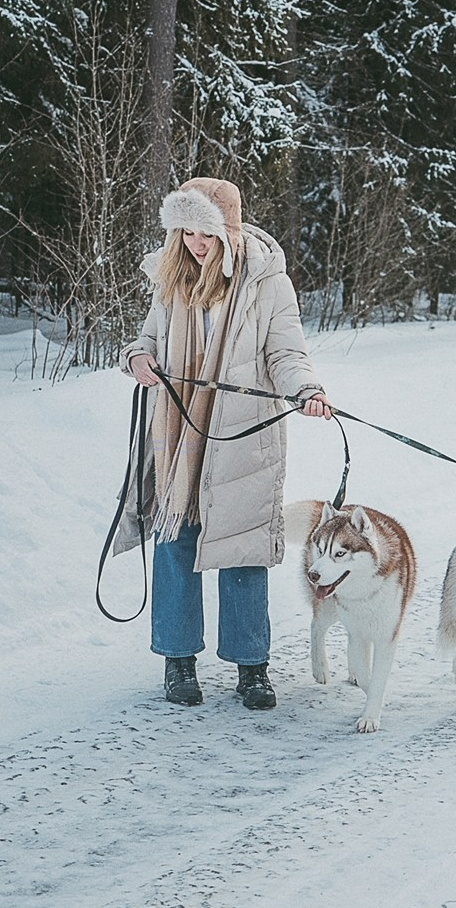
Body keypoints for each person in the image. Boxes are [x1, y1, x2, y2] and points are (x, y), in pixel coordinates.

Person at [116, 177, 332, 709]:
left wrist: (306, 389)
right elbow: (146, 340)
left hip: (241, 434)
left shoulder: (266, 283)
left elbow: (286, 351)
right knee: (175, 544)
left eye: (205, 234)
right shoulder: (170, 280)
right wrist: (138, 359)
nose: (194, 243)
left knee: (243, 549)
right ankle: (178, 660)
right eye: (186, 231)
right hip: (178, 433)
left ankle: (251, 668)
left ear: (228, 231)